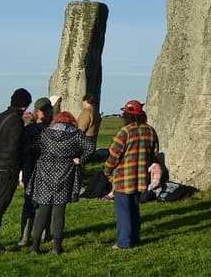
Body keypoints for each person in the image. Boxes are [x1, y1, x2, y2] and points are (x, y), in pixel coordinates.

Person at [29, 111, 95, 254]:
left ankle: (35, 247)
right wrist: (80, 160)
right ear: (71, 122)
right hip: (65, 174)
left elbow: (35, 147)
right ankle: (57, 247)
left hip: (45, 174)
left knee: (43, 210)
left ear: (56, 121)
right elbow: (90, 147)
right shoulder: (76, 134)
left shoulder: (45, 133)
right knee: (59, 212)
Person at [105, 99, 158, 250]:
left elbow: (114, 155)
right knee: (134, 210)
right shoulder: (150, 131)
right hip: (140, 177)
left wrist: (107, 171)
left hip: (123, 177)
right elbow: (154, 154)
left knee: (123, 212)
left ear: (127, 115)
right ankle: (135, 238)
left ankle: (124, 242)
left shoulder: (125, 132)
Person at [0, 88, 31, 255]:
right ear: (25, 105)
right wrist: (19, 168)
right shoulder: (16, 121)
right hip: (7, 169)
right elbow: (14, 148)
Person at [17, 96, 54, 247]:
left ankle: (37, 235)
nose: (49, 112)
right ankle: (29, 236)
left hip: (36, 170)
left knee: (39, 204)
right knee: (34, 204)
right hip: (34, 170)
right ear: (39, 112)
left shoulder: (29, 129)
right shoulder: (45, 130)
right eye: (47, 110)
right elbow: (24, 151)